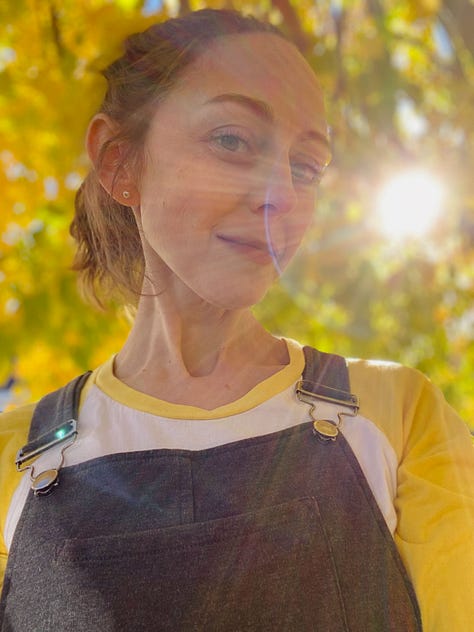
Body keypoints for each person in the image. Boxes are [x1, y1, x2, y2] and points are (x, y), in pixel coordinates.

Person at [0, 8, 473, 631]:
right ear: (120, 164)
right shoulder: (13, 457)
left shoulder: (399, 412)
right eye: (232, 139)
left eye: (306, 168)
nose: (281, 195)